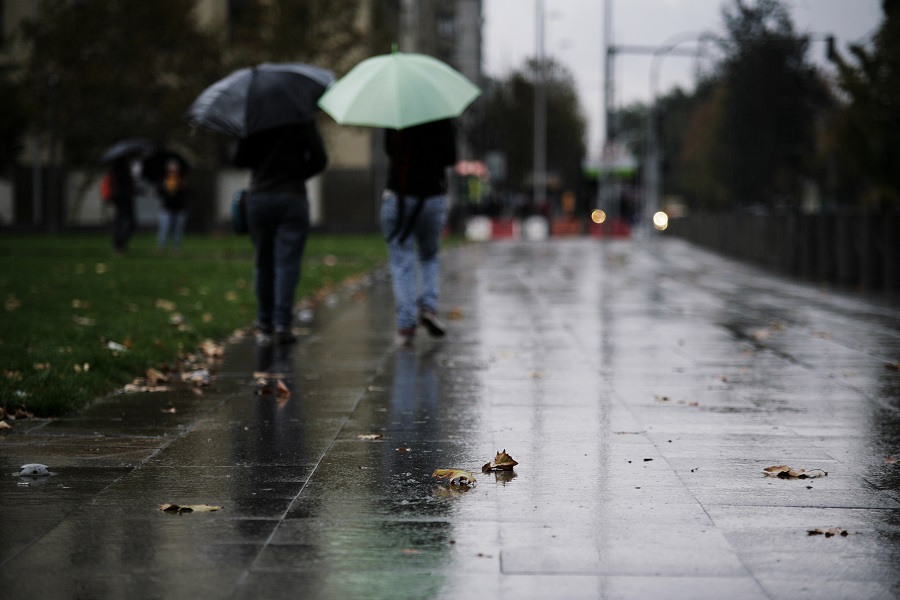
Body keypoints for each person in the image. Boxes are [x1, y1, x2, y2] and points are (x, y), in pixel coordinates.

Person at [233, 121, 327, 344]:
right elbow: (320, 159)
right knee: (288, 263)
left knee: (263, 261)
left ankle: (264, 320)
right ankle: (283, 322)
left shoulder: (254, 120)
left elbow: (238, 159)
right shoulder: (301, 119)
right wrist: (297, 174)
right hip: (292, 197)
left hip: (260, 196)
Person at [381, 118, 456, 346]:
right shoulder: (441, 117)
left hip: (400, 197)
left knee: (402, 261)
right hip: (431, 198)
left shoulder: (396, 115)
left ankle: (406, 326)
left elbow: (389, 150)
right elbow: (451, 157)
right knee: (429, 256)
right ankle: (429, 308)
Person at [155, 159, 190, 252]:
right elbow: (159, 193)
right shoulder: (164, 180)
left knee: (178, 230)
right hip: (167, 208)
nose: (173, 172)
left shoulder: (182, 180)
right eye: (171, 170)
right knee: (164, 228)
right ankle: (161, 247)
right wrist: (164, 188)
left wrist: (183, 187)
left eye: (175, 170)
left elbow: (189, 194)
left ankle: (176, 248)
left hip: (180, 208)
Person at [108, 157, 137, 254]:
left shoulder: (114, 170)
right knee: (126, 222)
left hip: (119, 199)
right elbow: (126, 187)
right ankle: (120, 244)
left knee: (120, 222)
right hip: (123, 199)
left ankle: (119, 244)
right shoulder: (122, 170)